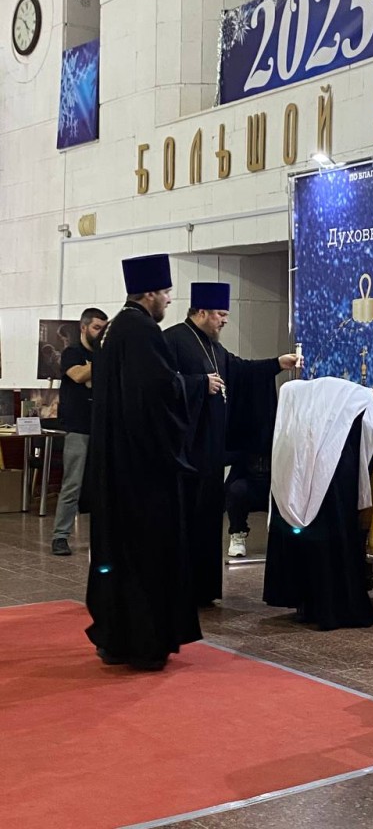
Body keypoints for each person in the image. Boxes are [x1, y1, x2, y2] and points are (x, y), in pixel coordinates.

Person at [84, 253, 201, 671]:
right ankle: (144, 641)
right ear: (150, 292)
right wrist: (192, 386)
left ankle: (116, 637)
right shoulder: (143, 331)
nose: (169, 300)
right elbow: (159, 395)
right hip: (143, 471)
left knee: (118, 554)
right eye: (166, 292)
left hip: (117, 465)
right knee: (147, 554)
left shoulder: (115, 328)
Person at [163, 282, 297, 600]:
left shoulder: (213, 347)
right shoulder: (173, 339)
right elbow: (162, 384)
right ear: (202, 312)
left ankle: (203, 588)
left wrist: (277, 363)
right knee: (188, 518)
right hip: (186, 450)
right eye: (220, 314)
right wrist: (199, 383)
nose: (224, 320)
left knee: (209, 516)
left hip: (210, 450)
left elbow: (240, 370)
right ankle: (181, 588)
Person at [263, 377, 373, 630]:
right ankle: (335, 608)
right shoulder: (366, 403)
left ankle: (308, 604)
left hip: (303, 468)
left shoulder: (314, 395)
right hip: (337, 479)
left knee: (311, 540)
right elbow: (371, 450)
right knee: (335, 542)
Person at [50, 306, 108, 556]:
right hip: (78, 427)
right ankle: (60, 536)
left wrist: (94, 368)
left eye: (104, 328)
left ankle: (104, 537)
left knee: (104, 485)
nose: (100, 333)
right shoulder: (72, 353)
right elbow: (78, 375)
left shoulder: (101, 355)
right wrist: (102, 362)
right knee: (73, 483)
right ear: (84, 328)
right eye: (96, 327)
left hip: (103, 428)